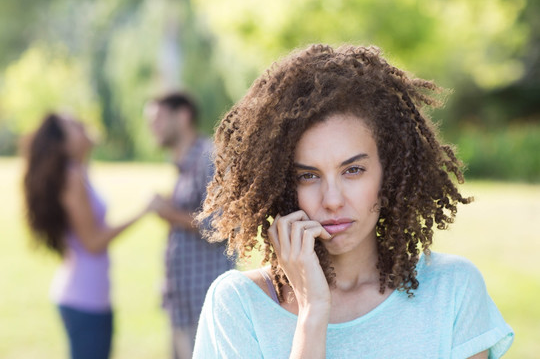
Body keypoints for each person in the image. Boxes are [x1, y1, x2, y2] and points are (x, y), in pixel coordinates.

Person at [192, 45, 514, 358]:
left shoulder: (453, 290)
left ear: (389, 172)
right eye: (308, 176)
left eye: (353, 170)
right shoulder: (237, 305)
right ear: (282, 185)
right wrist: (313, 313)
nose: (332, 200)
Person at [22, 113, 154, 359]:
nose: (84, 125)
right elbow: (93, 242)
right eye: (75, 125)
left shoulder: (77, 170)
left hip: (89, 294)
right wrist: (143, 212)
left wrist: (88, 143)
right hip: (84, 298)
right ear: (63, 143)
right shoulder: (71, 176)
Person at [146, 92, 234, 359]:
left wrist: (169, 213)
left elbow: (223, 224)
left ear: (183, 116)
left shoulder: (210, 157)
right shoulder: (185, 165)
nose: (152, 127)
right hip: (182, 304)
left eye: (158, 118)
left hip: (203, 304)